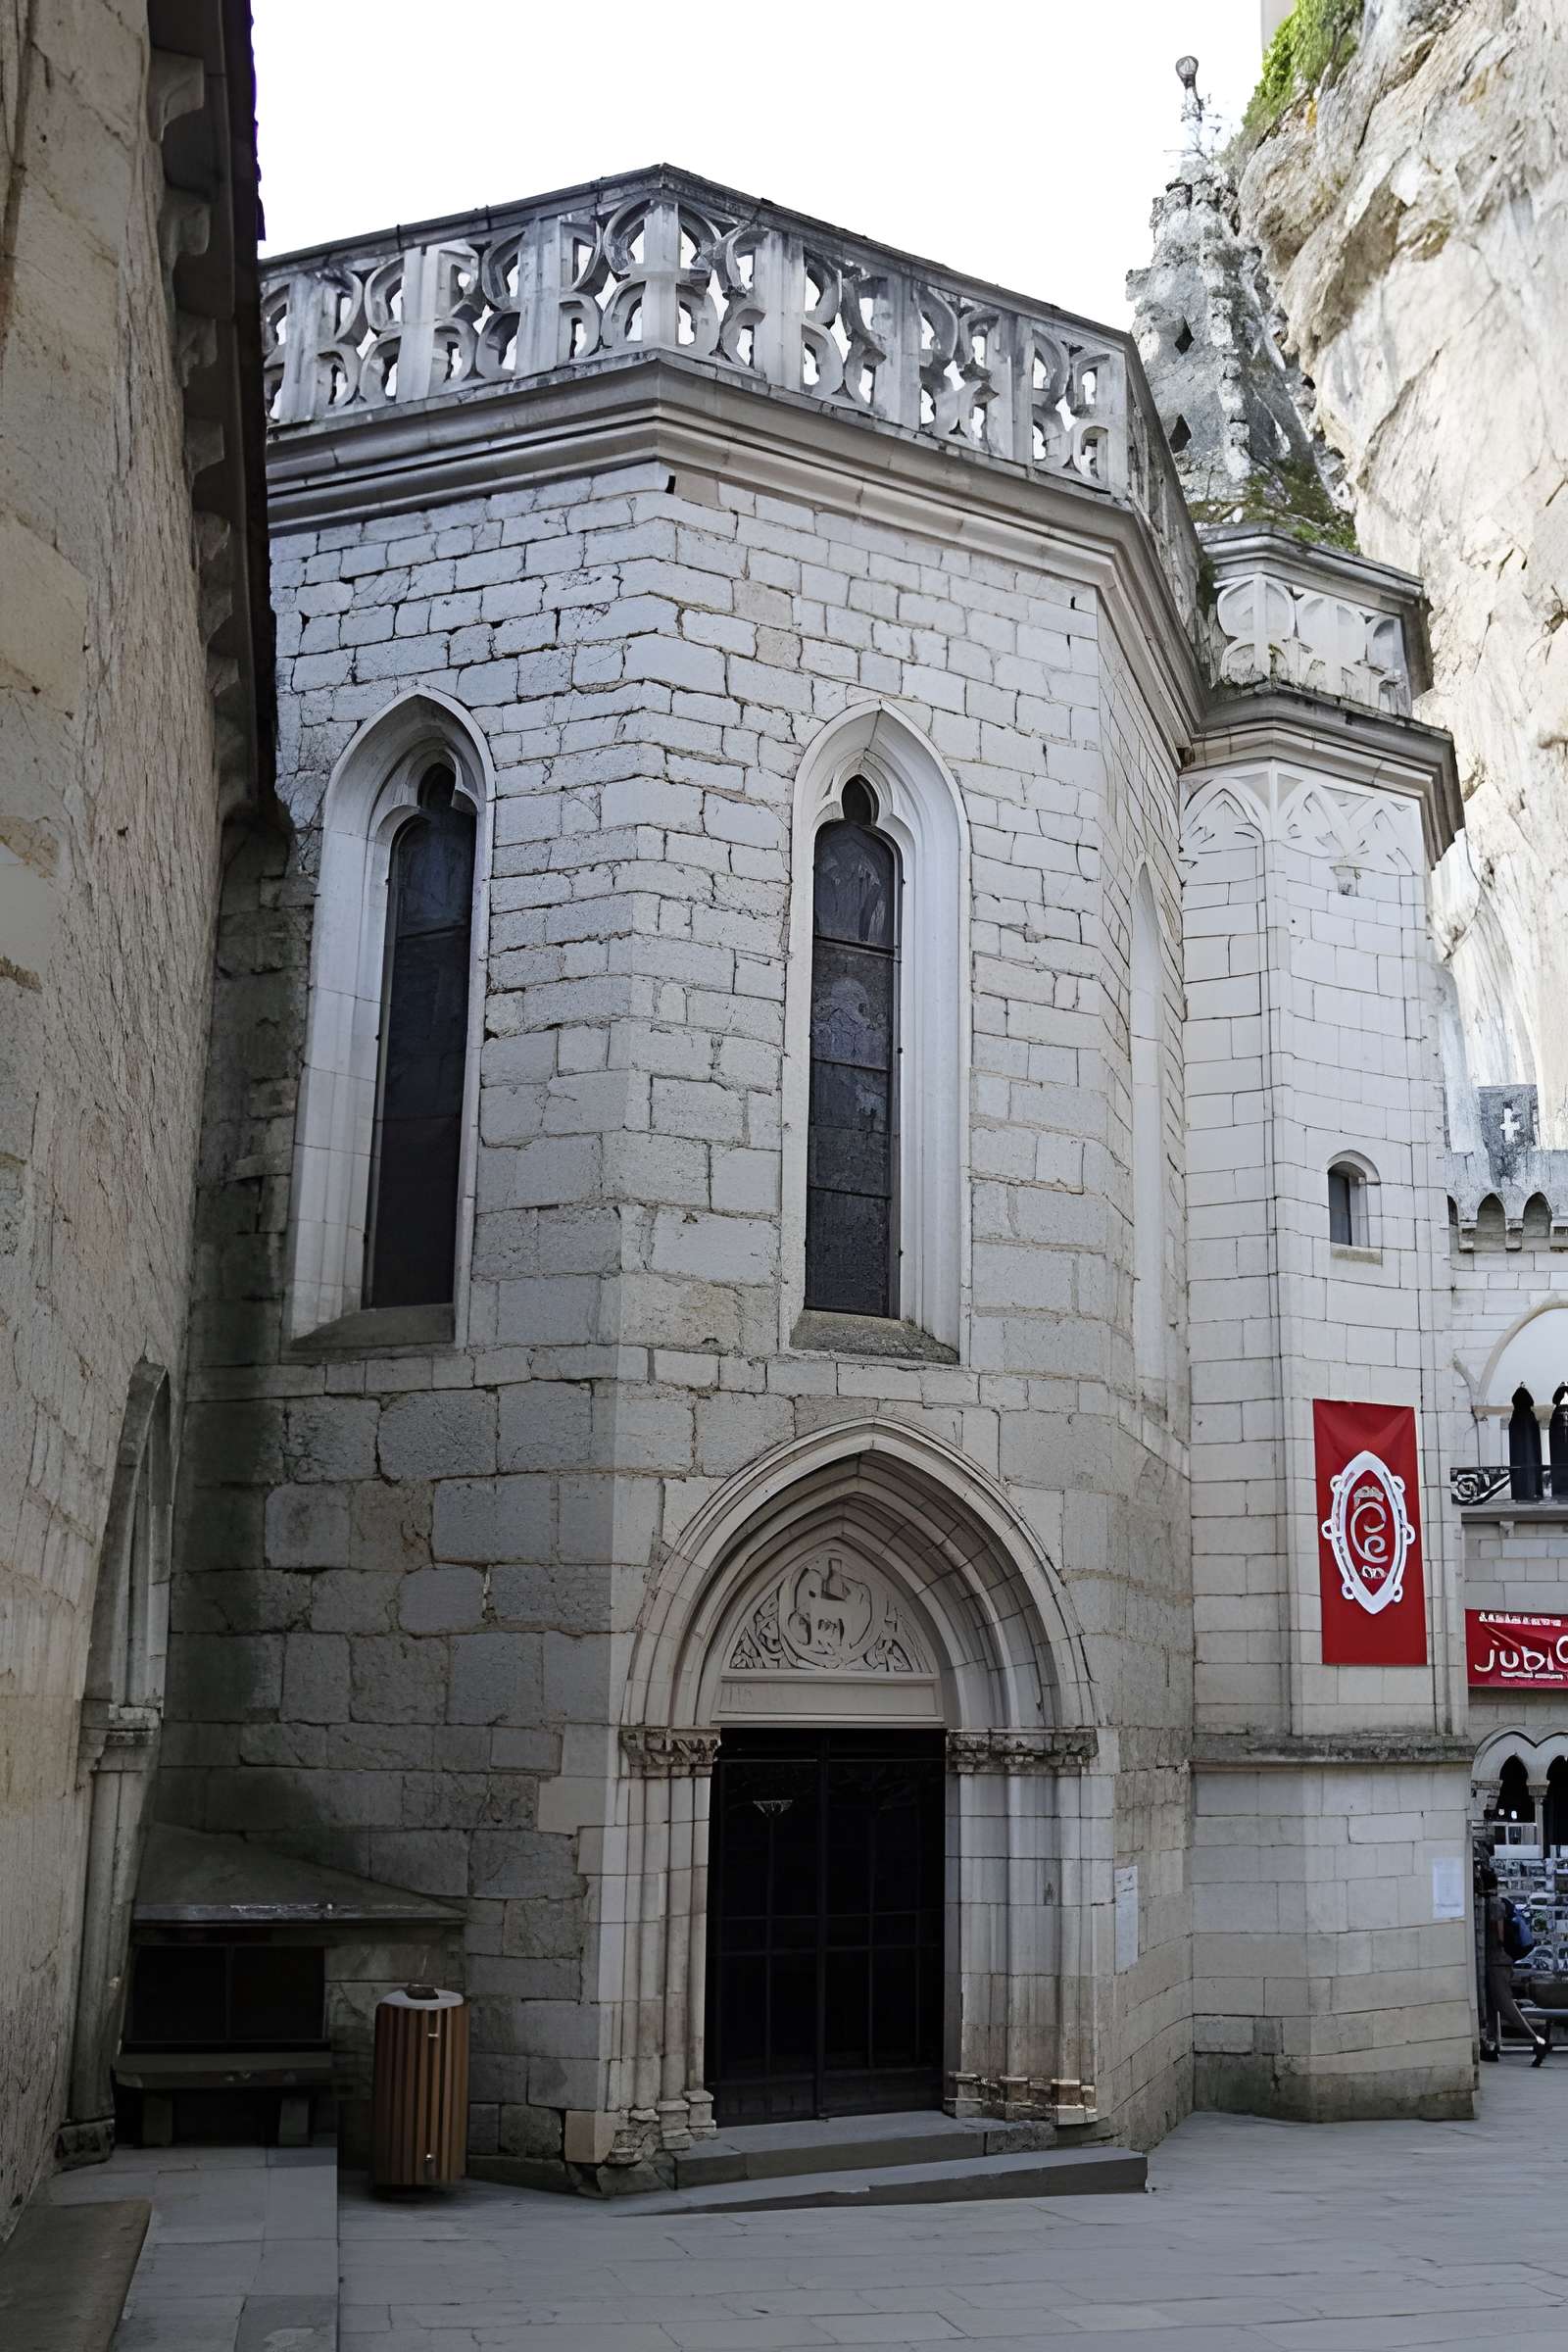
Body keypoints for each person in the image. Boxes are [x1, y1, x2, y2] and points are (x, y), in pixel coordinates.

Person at [1480, 1866, 1545, 2065]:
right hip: (1497, 1961)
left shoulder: (1494, 1903)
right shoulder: (1498, 1902)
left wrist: (1497, 1942)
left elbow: (1499, 1933)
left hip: (1498, 1961)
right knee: (1492, 2007)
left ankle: (1538, 2039)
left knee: (1505, 2006)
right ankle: (1491, 2045)